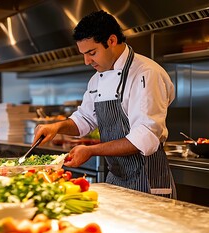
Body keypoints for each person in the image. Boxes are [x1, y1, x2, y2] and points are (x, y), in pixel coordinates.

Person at [32, 10, 176, 198]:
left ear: (112, 41)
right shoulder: (96, 80)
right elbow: (84, 120)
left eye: (92, 53)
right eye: (83, 54)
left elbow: (145, 137)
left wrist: (91, 150)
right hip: (116, 180)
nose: (86, 61)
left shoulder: (146, 73)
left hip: (148, 182)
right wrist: (56, 127)